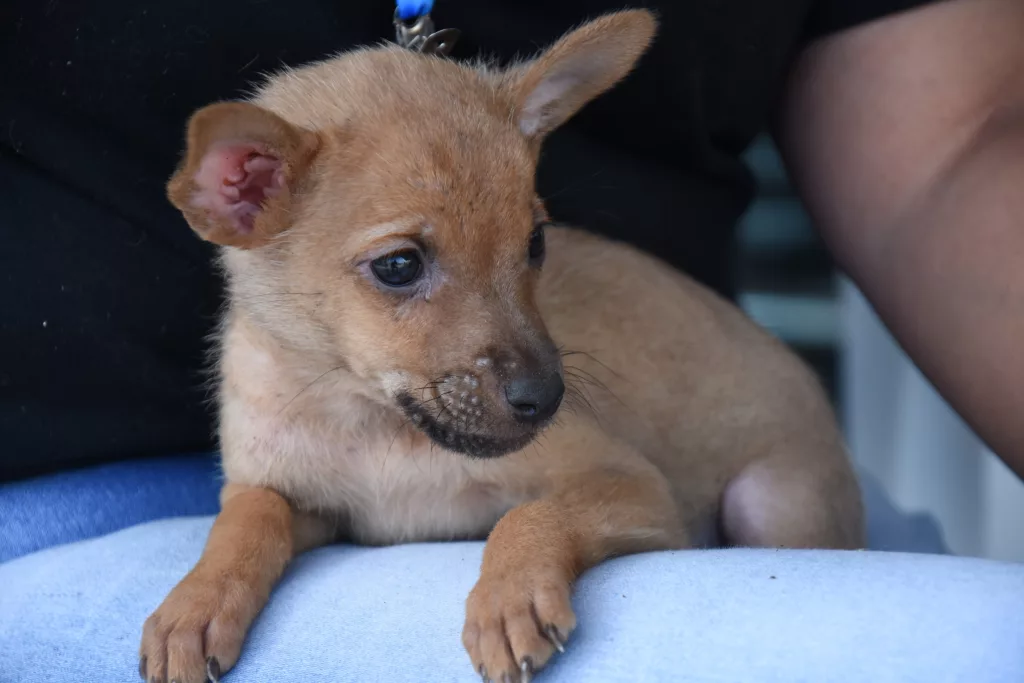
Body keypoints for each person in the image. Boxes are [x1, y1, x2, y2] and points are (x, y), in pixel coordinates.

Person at [1, 1, 1022, 681]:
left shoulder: (497, 387)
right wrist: (233, 559)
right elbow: (278, 493)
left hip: (711, 497)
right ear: (242, 191)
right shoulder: (272, 363)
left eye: (525, 248)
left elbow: (959, 141)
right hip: (74, 501)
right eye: (401, 268)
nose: (524, 365)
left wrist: (533, 533)